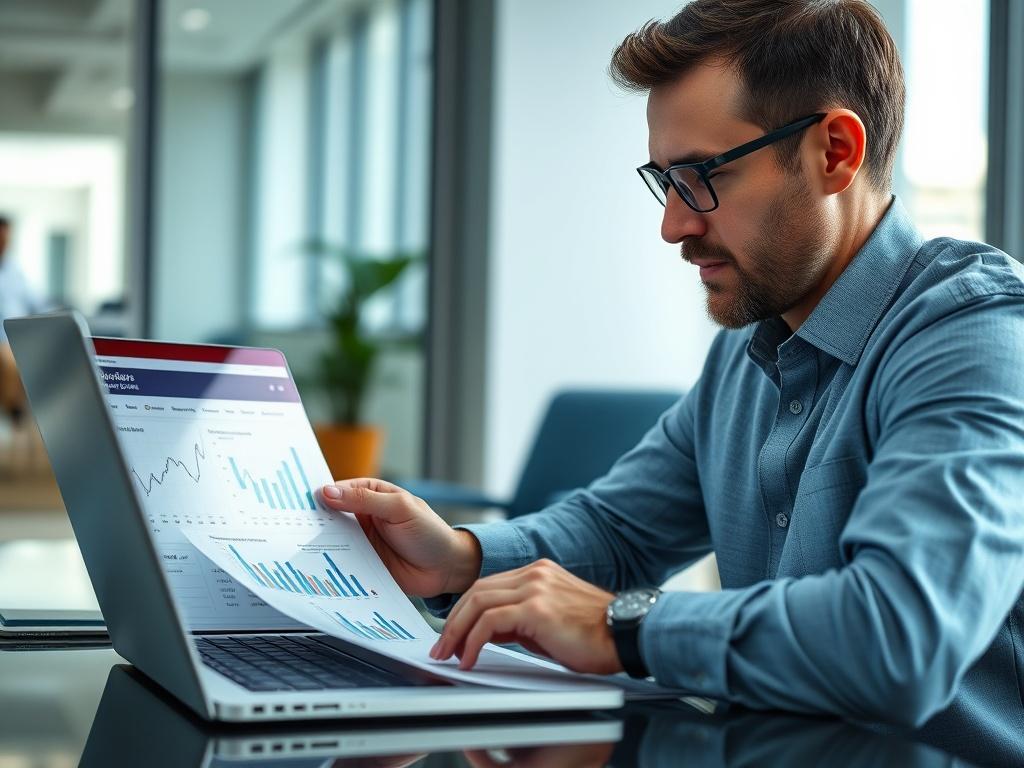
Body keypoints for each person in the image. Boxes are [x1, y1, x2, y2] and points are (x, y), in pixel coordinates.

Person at [319, 0, 1024, 744]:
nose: (674, 225)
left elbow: (899, 637)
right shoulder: (752, 345)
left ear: (835, 153)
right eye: (666, 182)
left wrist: (621, 625)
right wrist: (458, 558)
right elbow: (620, 529)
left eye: (701, 177)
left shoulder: (974, 336)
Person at [0, 215, 46, 422]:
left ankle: (19, 414)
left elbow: (37, 302)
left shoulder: (16, 271)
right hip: (4, 341)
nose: (4, 244)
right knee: (10, 360)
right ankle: (14, 412)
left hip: (16, 338)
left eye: (6, 239)